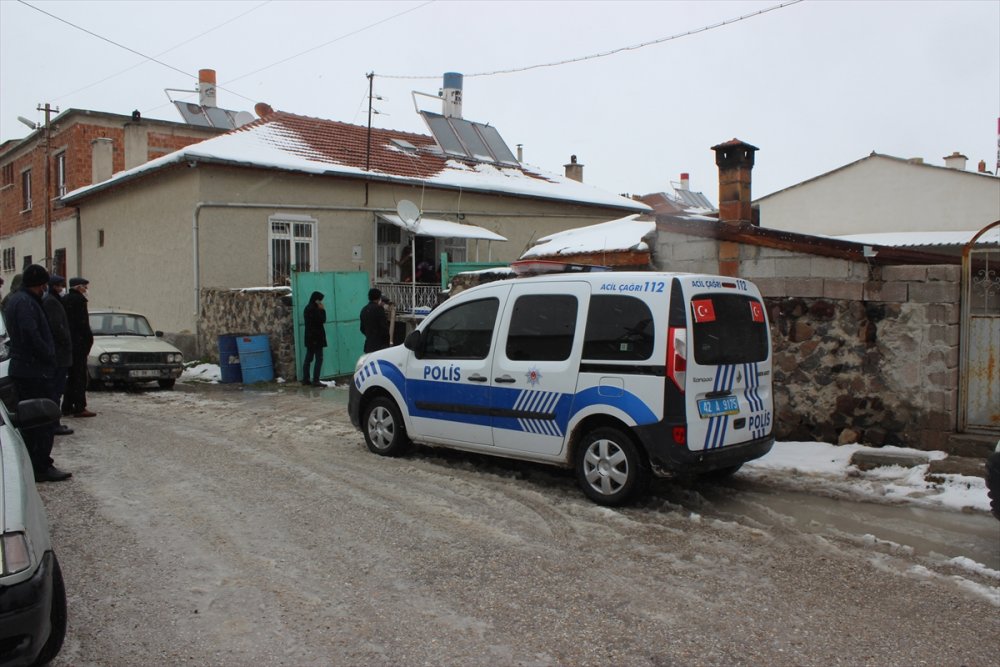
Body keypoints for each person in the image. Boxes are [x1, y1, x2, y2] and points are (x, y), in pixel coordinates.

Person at [4, 264, 71, 482]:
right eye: (44, 285)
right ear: (40, 284)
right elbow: (30, 334)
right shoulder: (25, 303)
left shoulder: (19, 300)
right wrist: (47, 355)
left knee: (34, 419)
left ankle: (37, 462)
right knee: (42, 420)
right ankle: (41, 465)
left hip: (28, 369)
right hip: (33, 371)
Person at [42, 274, 74, 436]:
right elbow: (57, 327)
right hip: (59, 355)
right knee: (55, 390)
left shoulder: (52, 301)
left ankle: (54, 421)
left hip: (59, 354)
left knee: (56, 389)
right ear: (55, 286)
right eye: (61, 285)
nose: (63, 289)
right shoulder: (52, 302)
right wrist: (66, 343)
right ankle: (53, 423)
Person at [62, 277, 95, 418]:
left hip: (70, 344)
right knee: (79, 377)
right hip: (79, 344)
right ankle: (80, 407)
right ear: (78, 287)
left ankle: (67, 406)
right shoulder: (79, 301)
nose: (86, 290)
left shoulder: (65, 300)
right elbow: (83, 325)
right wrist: (88, 341)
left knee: (71, 377)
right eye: (85, 287)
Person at [302, 291, 327, 387]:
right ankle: (316, 380)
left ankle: (306, 379)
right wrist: (322, 310)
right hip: (317, 338)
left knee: (308, 359)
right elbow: (322, 320)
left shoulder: (307, 308)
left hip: (310, 338)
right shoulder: (315, 309)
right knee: (319, 359)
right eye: (319, 300)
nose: (320, 302)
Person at [360, 287, 389, 353]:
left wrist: (370, 335)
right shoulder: (379, 309)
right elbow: (384, 328)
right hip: (380, 347)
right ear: (379, 298)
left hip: (368, 346)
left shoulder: (363, 310)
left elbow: (362, 328)